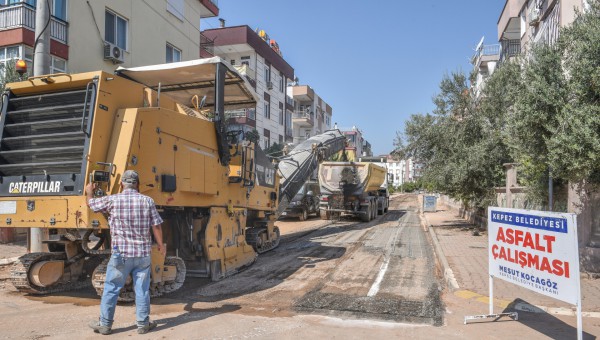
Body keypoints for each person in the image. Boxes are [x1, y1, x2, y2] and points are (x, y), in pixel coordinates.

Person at [85, 170, 166, 335]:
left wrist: (89, 192)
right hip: (142, 254)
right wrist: (160, 245)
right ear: (138, 184)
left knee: (112, 287)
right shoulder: (147, 201)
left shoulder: (113, 200)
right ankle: (143, 324)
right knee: (142, 290)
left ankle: (105, 325)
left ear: (122, 184)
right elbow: (156, 226)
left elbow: (91, 204)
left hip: (121, 255)